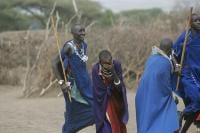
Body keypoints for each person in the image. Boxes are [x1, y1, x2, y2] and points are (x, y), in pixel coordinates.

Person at [52, 23, 94, 133]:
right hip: (73, 86)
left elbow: (80, 64)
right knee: (73, 111)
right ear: (73, 33)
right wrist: (62, 83)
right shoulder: (68, 47)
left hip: (85, 83)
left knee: (96, 109)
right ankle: (69, 130)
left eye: (83, 30)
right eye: (80, 31)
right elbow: (55, 63)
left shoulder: (84, 45)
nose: (83, 33)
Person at [135, 38, 179, 133]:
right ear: (170, 50)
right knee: (167, 114)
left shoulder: (151, 58)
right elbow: (166, 86)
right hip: (156, 97)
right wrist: (173, 97)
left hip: (142, 96)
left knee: (146, 122)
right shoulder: (166, 63)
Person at [173, 13, 200, 131]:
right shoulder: (184, 37)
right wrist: (177, 66)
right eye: (195, 20)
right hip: (188, 74)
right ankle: (182, 113)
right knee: (198, 99)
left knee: (196, 107)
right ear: (190, 22)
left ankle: (183, 129)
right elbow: (173, 54)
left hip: (199, 74)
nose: (199, 22)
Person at [92, 50, 129, 133]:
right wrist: (107, 83)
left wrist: (114, 73)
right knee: (110, 123)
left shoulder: (116, 65)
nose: (109, 65)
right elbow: (98, 90)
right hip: (104, 102)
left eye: (110, 62)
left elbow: (120, 87)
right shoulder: (96, 69)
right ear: (100, 62)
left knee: (119, 122)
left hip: (117, 99)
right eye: (106, 64)